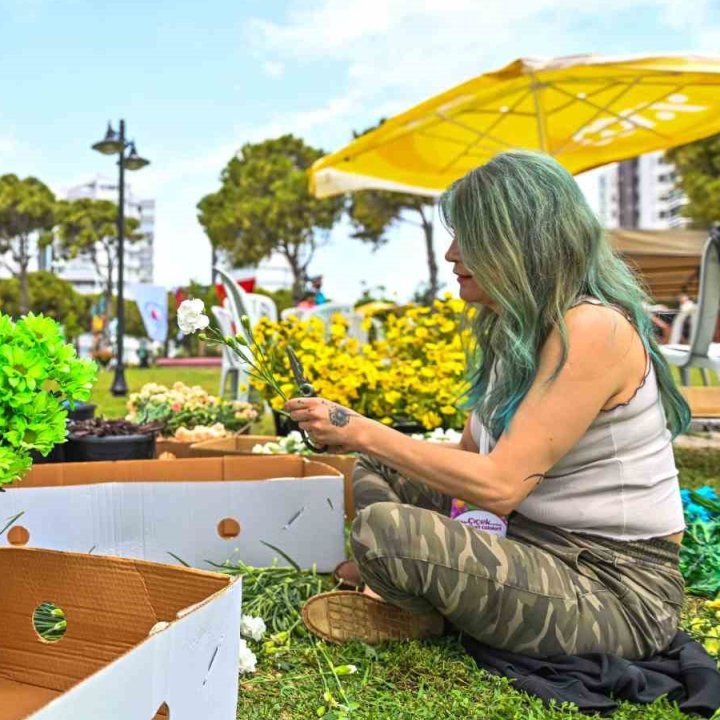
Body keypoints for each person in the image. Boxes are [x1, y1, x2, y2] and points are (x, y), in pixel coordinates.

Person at [289, 150, 691, 661]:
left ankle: (416, 601)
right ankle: (423, 596)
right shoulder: (515, 334)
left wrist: (358, 428)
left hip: (614, 587)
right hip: (531, 541)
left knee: (383, 529)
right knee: (375, 470)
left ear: (524, 244)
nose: (453, 254)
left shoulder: (594, 329)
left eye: (470, 239)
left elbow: (499, 486)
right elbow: (464, 466)